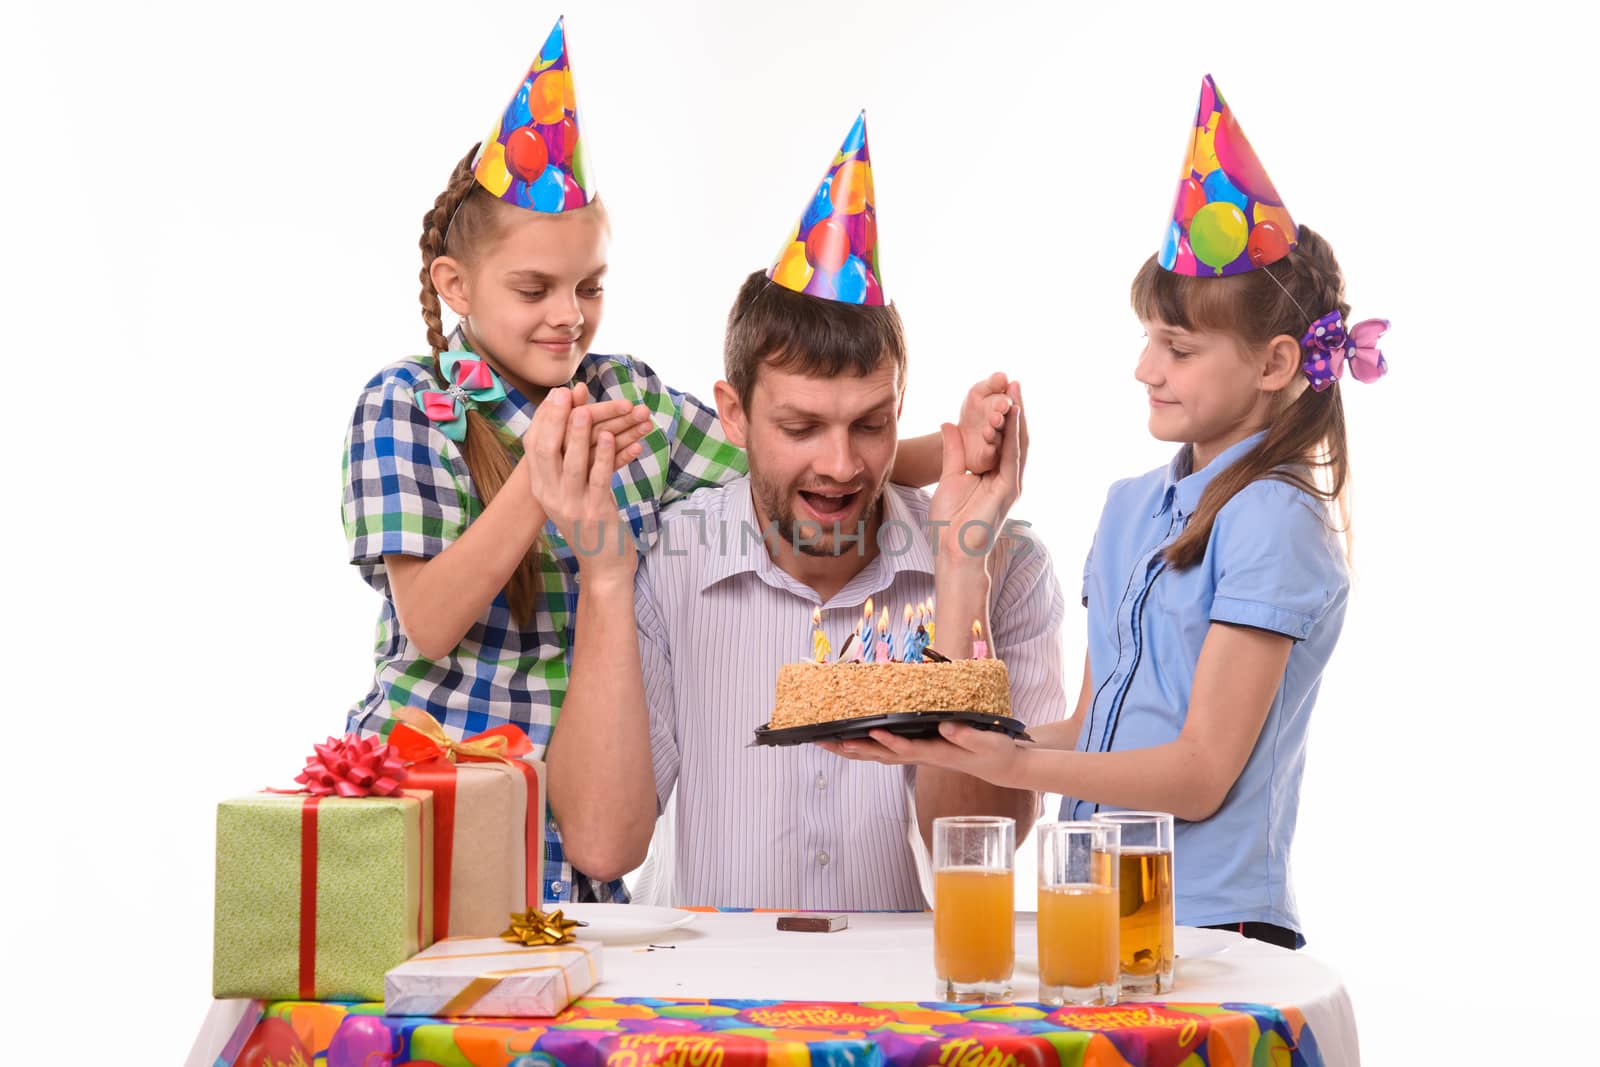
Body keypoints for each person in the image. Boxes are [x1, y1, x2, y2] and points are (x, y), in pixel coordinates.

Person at [340, 30, 1014, 904]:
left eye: (589, 286)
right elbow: (426, 620)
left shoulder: (628, 396)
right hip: (434, 797)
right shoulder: (409, 405)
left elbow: (788, 457)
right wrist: (541, 494)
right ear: (455, 286)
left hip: (573, 811)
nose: (568, 316)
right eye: (534, 289)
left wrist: (950, 451)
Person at [831, 77, 1388, 947]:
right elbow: (1098, 727)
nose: (1145, 368)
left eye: (1178, 348)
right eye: (1147, 339)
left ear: (1277, 362)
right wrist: (954, 734)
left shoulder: (1274, 519)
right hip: (1092, 903)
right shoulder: (1132, 508)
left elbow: (1202, 773)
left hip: (1211, 924)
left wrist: (1016, 760)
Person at [541, 114, 1067, 909]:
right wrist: (606, 579)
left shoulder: (1007, 567)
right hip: (708, 1009)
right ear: (735, 415)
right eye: (800, 427)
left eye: (870, 423)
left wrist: (961, 572)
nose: (842, 464)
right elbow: (602, 845)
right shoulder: (668, 557)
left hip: (905, 1018)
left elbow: (971, 854)